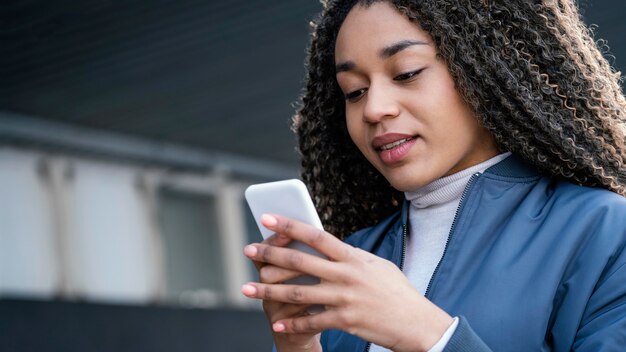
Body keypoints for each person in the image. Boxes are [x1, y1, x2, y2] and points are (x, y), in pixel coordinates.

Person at [241, 0, 626, 351]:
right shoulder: (354, 256)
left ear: (488, 66)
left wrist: (432, 336)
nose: (374, 108)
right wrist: (299, 345)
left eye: (406, 73)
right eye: (354, 91)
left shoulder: (604, 231)